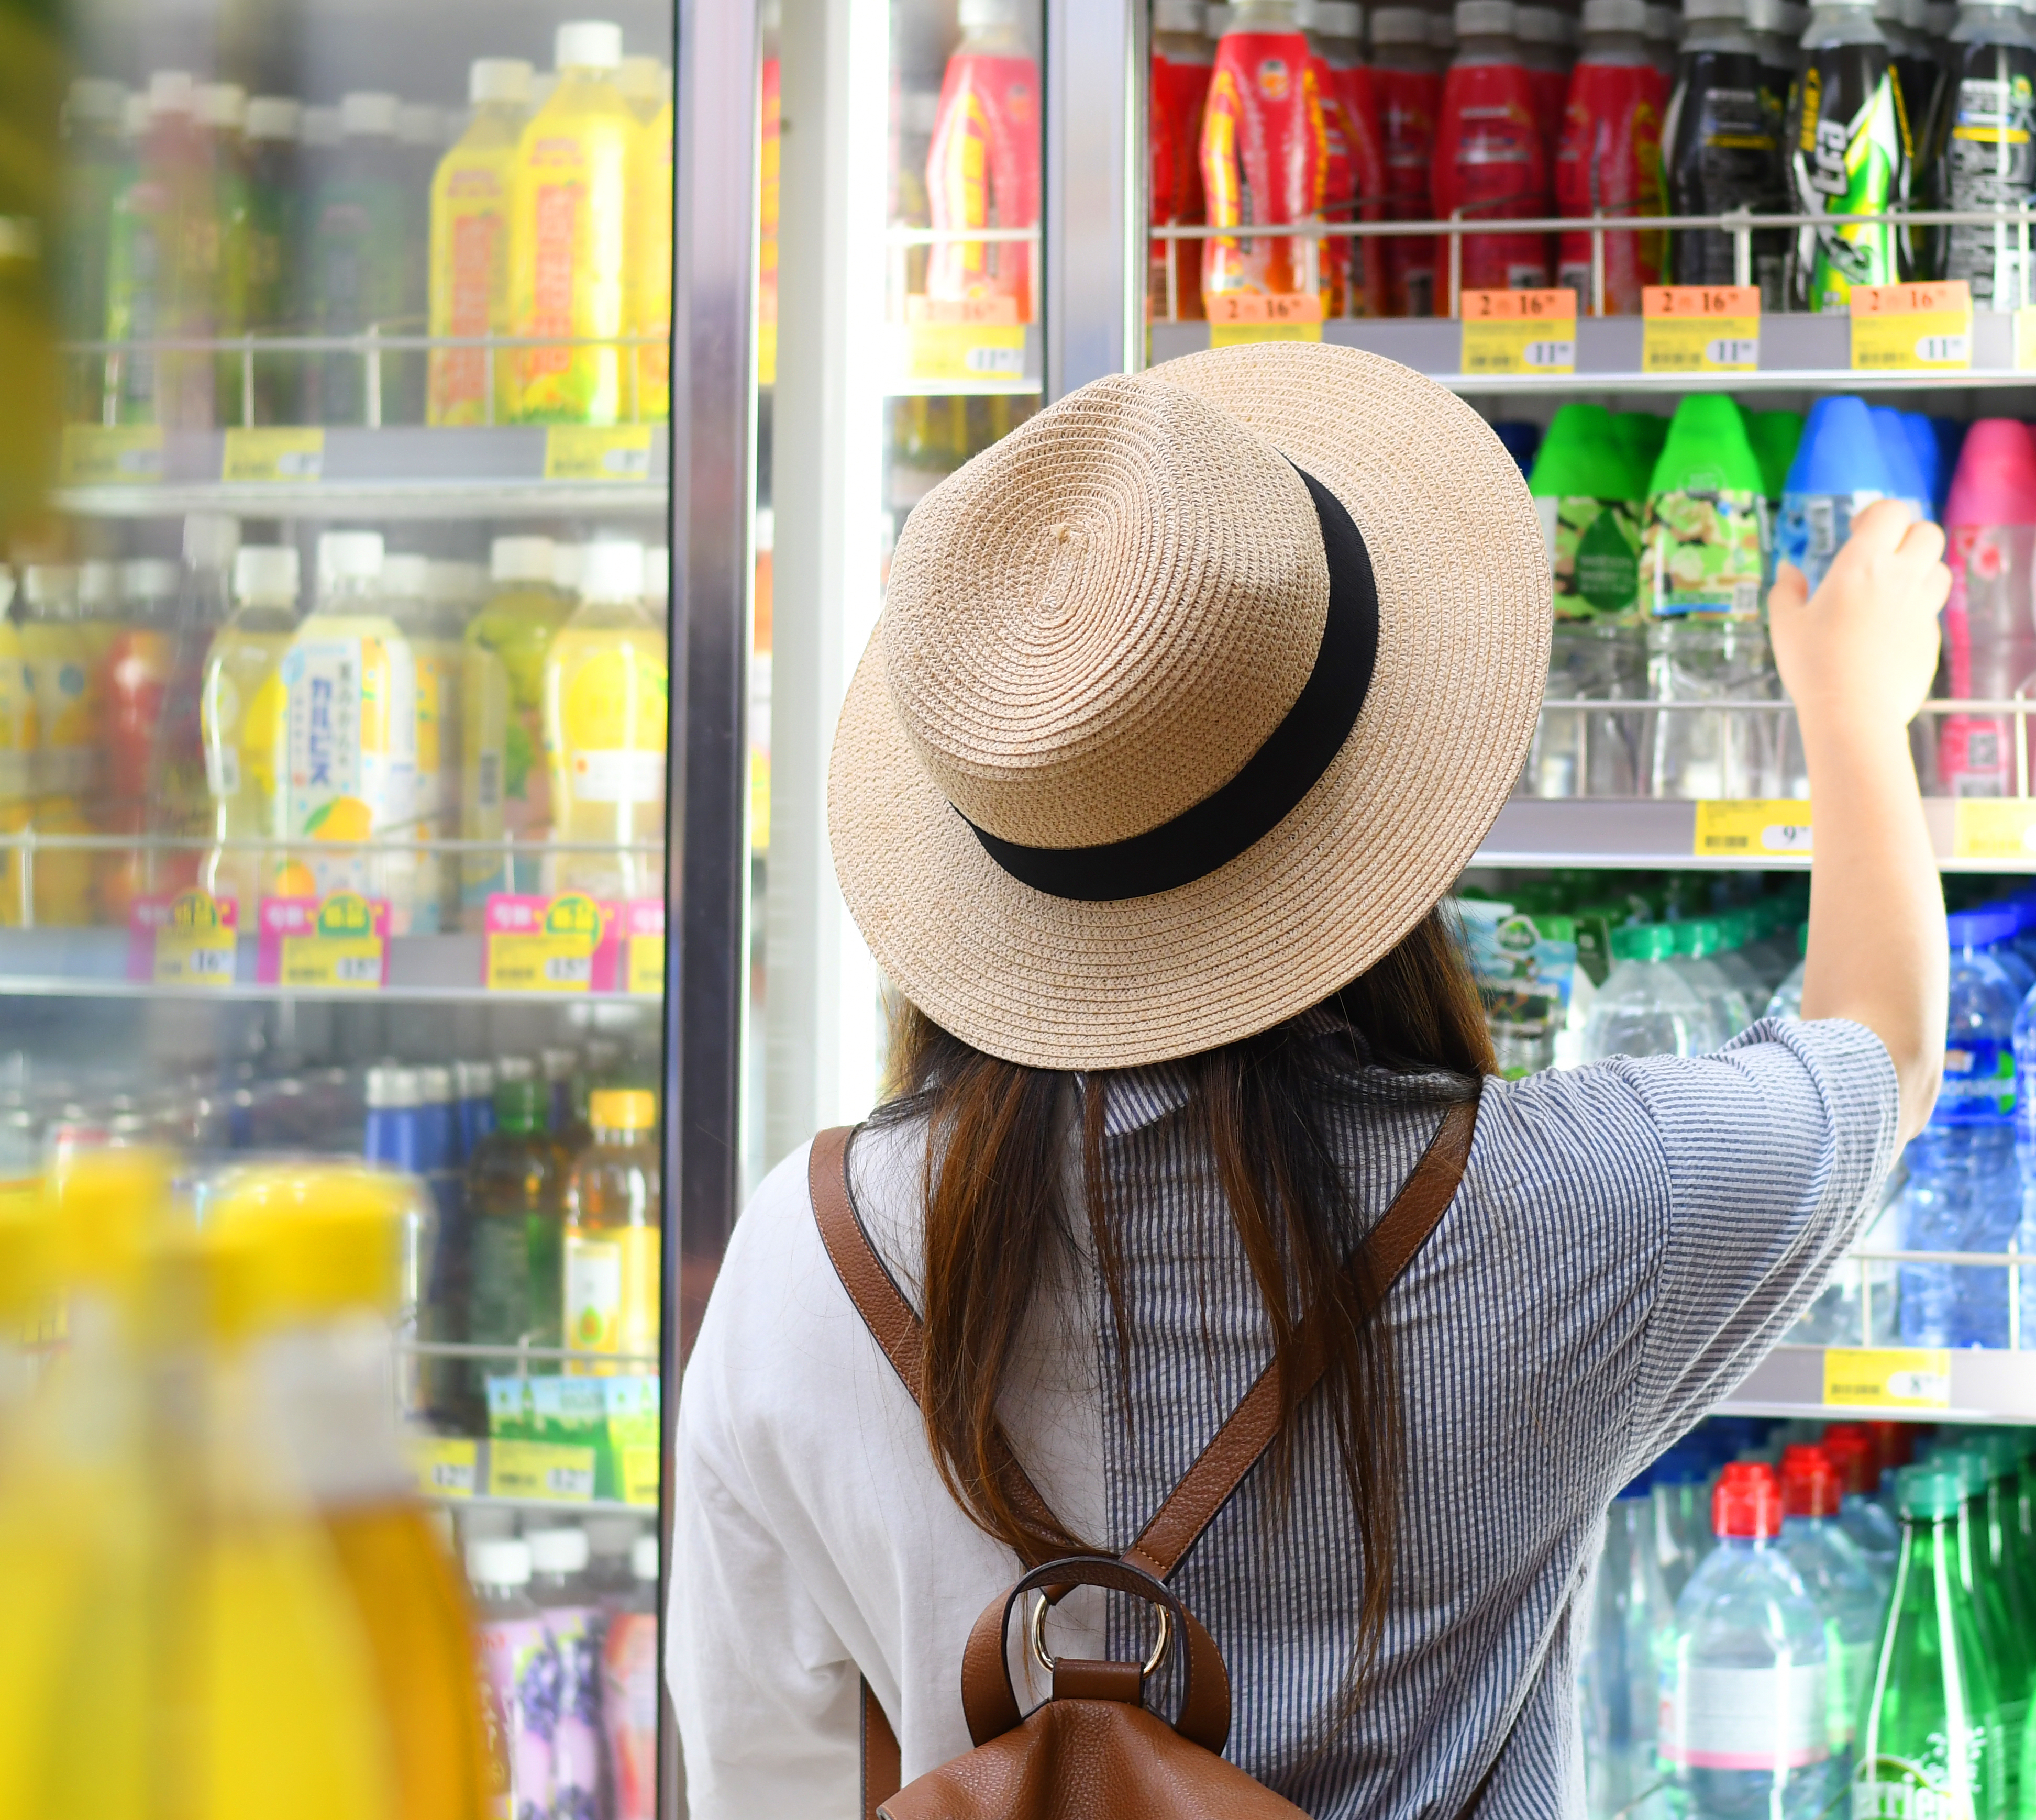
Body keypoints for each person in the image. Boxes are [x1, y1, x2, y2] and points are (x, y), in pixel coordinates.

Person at [669, 342, 1948, 1819]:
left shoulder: (802, 1256)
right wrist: (1854, 713)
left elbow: (767, 1772)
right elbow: (1881, 1057)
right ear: (1377, 803)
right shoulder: (1566, 1205)